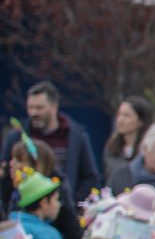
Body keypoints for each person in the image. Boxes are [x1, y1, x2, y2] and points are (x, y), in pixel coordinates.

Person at [2, 81, 99, 212]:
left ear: (54, 106)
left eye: (39, 108)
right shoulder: (17, 137)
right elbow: (5, 172)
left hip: (62, 210)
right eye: (30, 107)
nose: (34, 113)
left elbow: (90, 176)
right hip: (24, 210)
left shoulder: (76, 137)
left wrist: (72, 202)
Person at [102, 95, 155, 184]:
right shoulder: (111, 147)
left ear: (141, 121)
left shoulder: (149, 150)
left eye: (126, 116)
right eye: (119, 115)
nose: (120, 120)